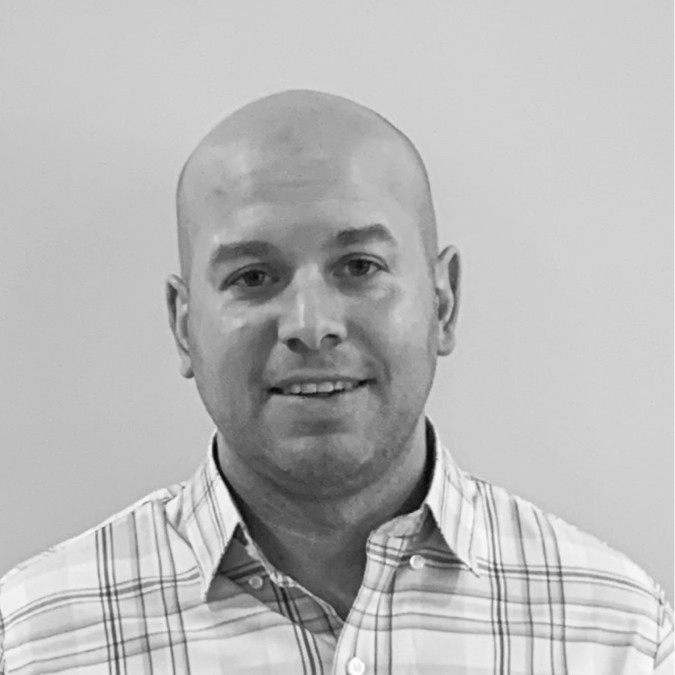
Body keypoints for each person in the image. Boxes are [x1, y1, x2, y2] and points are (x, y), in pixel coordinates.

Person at [0, 90, 671, 674]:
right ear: (185, 327)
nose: (310, 325)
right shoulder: (35, 640)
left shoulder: (616, 630)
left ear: (443, 302)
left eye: (357, 266)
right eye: (252, 276)